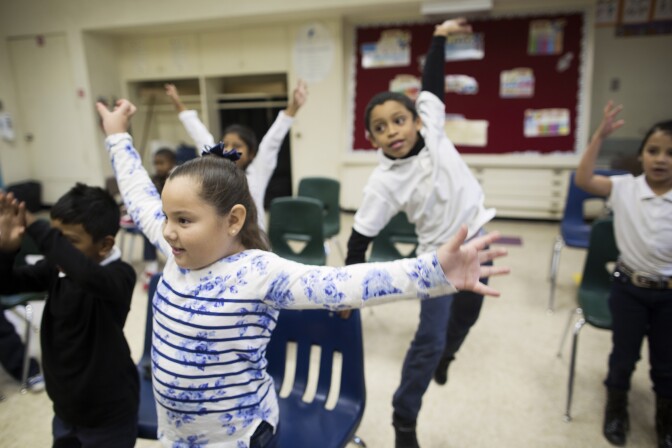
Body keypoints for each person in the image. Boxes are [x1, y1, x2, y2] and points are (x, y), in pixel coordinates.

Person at [95, 97, 509, 448]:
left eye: (184, 220)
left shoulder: (258, 273)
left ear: (233, 220)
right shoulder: (173, 248)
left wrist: (435, 270)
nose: (167, 229)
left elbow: (345, 285)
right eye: (167, 217)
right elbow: (137, 193)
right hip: (176, 434)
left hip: (238, 437)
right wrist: (117, 134)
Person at [344, 18, 496, 448]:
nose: (392, 130)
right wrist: (349, 293)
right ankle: (404, 417)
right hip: (438, 257)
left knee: (469, 315)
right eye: (380, 127)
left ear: (416, 120)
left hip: (479, 233)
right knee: (428, 339)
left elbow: (432, 81)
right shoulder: (383, 182)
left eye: (398, 120)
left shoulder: (434, 125)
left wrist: (441, 35)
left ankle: (449, 355)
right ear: (372, 139)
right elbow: (360, 239)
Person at [0, 184, 139, 447]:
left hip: (109, 416)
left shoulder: (119, 276)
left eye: (69, 242)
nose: (56, 250)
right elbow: (6, 285)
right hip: (65, 410)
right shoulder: (56, 268)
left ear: (105, 245)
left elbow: (88, 275)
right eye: (56, 238)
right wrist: (7, 252)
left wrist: (37, 226)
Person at [575, 102, 672, 448]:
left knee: (666, 363)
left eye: (670, 153)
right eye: (653, 150)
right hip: (629, 288)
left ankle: (666, 418)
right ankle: (616, 408)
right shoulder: (625, 188)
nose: (660, 159)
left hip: (669, 295)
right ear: (641, 154)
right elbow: (583, 179)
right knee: (623, 356)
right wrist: (599, 136)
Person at [165, 79, 308, 231]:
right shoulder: (216, 169)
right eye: (225, 144)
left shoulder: (257, 172)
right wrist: (177, 103)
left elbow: (272, 141)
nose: (229, 149)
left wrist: (294, 107)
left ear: (251, 154)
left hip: (256, 241)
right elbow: (200, 135)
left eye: (237, 146)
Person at [141, 147, 177, 289]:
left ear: (172, 163)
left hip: (173, 216)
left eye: (162, 163)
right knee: (147, 229)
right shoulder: (154, 179)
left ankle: (173, 263)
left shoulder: (178, 177)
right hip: (159, 215)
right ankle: (151, 265)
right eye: (156, 163)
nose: (158, 167)